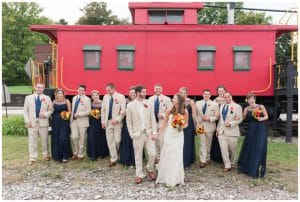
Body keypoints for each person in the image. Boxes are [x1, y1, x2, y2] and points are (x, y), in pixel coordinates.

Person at [126, 85, 157, 184]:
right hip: (137, 134)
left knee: (153, 153)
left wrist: (154, 132)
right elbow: (129, 121)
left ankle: (149, 168)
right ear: (138, 93)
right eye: (143, 92)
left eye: (145, 92)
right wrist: (132, 134)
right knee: (138, 155)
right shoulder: (130, 105)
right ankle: (139, 175)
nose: (145, 94)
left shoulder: (148, 103)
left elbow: (153, 119)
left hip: (148, 133)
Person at [156, 93, 188, 187]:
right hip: (169, 134)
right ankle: (166, 176)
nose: (172, 99)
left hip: (178, 135)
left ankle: (176, 177)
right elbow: (164, 123)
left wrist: (181, 126)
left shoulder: (184, 111)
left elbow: (186, 123)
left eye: (174, 98)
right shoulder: (169, 110)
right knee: (168, 153)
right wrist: (158, 134)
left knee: (177, 154)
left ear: (179, 100)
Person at [238, 93, 268, 178]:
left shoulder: (260, 106)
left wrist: (261, 118)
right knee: (250, 146)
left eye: (252, 99)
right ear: (247, 100)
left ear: (255, 99)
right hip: (251, 128)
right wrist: (239, 116)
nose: (251, 100)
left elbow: (266, 116)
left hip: (260, 128)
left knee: (259, 146)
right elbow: (243, 118)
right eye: (249, 99)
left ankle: (256, 167)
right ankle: (248, 166)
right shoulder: (246, 109)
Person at [24, 83, 53, 165]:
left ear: (43, 89)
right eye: (38, 87)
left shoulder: (47, 98)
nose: (40, 89)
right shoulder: (28, 98)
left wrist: (45, 114)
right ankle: (32, 158)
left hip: (43, 122)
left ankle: (46, 155)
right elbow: (25, 111)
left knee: (45, 140)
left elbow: (51, 110)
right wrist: (27, 121)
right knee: (32, 140)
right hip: (32, 123)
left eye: (41, 88)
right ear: (35, 88)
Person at [217, 92, 243, 172]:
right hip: (222, 132)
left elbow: (239, 119)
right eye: (225, 97)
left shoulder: (237, 106)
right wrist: (218, 129)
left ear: (231, 97)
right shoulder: (221, 106)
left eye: (228, 97)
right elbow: (220, 119)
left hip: (232, 132)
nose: (226, 98)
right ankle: (227, 165)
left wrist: (231, 124)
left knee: (233, 150)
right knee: (223, 149)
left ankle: (232, 162)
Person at [101, 83, 126, 166]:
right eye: (106, 90)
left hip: (117, 123)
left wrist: (117, 120)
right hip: (107, 122)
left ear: (113, 89)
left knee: (117, 140)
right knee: (110, 141)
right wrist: (103, 121)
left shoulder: (121, 97)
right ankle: (113, 158)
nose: (107, 91)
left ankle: (118, 155)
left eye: (108, 90)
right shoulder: (105, 97)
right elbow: (103, 110)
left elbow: (123, 111)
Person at [195, 89, 219, 168]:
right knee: (202, 143)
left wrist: (209, 118)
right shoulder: (197, 103)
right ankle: (203, 160)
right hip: (200, 126)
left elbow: (217, 116)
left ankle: (207, 158)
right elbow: (195, 115)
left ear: (210, 95)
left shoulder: (214, 104)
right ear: (202, 95)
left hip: (210, 127)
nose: (206, 95)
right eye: (205, 94)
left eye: (208, 94)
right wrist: (197, 123)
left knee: (208, 144)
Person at [148, 84, 171, 163]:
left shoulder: (167, 99)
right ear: (154, 89)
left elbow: (170, 111)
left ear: (162, 89)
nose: (158, 90)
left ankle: (161, 157)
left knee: (161, 140)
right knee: (154, 140)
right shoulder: (150, 99)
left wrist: (163, 115)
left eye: (159, 88)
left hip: (162, 123)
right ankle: (156, 157)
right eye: (156, 88)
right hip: (153, 123)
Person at [70, 84, 91, 160]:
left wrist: (79, 114)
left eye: (82, 90)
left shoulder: (87, 99)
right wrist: (71, 119)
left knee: (82, 139)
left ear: (85, 91)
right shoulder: (74, 98)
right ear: (77, 90)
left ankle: (81, 154)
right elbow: (73, 110)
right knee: (74, 137)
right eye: (79, 90)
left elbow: (89, 111)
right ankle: (75, 152)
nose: (81, 91)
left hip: (83, 121)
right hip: (74, 121)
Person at [87, 90, 109, 161]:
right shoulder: (90, 103)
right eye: (93, 95)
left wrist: (100, 116)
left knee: (100, 137)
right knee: (92, 137)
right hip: (92, 122)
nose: (95, 96)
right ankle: (93, 154)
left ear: (98, 95)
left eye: (96, 95)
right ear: (92, 97)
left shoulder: (103, 103)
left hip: (100, 122)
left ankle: (101, 154)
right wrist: (92, 113)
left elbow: (106, 111)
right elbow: (88, 111)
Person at [51, 89, 72, 163]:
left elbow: (70, 111)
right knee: (56, 138)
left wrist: (66, 115)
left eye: (61, 93)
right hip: (56, 122)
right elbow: (51, 111)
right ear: (56, 94)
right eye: (58, 93)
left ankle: (65, 156)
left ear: (63, 94)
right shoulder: (53, 102)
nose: (60, 94)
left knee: (63, 138)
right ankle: (57, 156)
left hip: (64, 121)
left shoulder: (67, 101)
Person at [179, 87, 197, 169]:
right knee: (180, 142)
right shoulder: (178, 101)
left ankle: (187, 162)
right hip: (180, 123)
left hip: (189, 124)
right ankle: (180, 160)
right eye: (182, 93)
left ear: (187, 93)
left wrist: (197, 124)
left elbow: (193, 114)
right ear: (180, 93)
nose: (184, 94)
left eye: (185, 92)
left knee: (187, 142)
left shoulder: (191, 101)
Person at [119, 86, 137, 167]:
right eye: (131, 93)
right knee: (126, 141)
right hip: (127, 124)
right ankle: (125, 159)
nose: (132, 94)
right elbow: (122, 112)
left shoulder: (139, 101)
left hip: (136, 124)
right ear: (129, 93)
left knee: (135, 141)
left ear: (136, 93)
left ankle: (134, 160)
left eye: (134, 92)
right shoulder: (126, 101)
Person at [211, 85, 227, 163]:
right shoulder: (215, 101)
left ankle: (225, 156)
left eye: (222, 91)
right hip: (217, 121)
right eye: (219, 91)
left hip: (225, 121)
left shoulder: (227, 99)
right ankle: (216, 156)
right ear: (217, 92)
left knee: (224, 138)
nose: (221, 92)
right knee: (216, 138)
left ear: (225, 91)